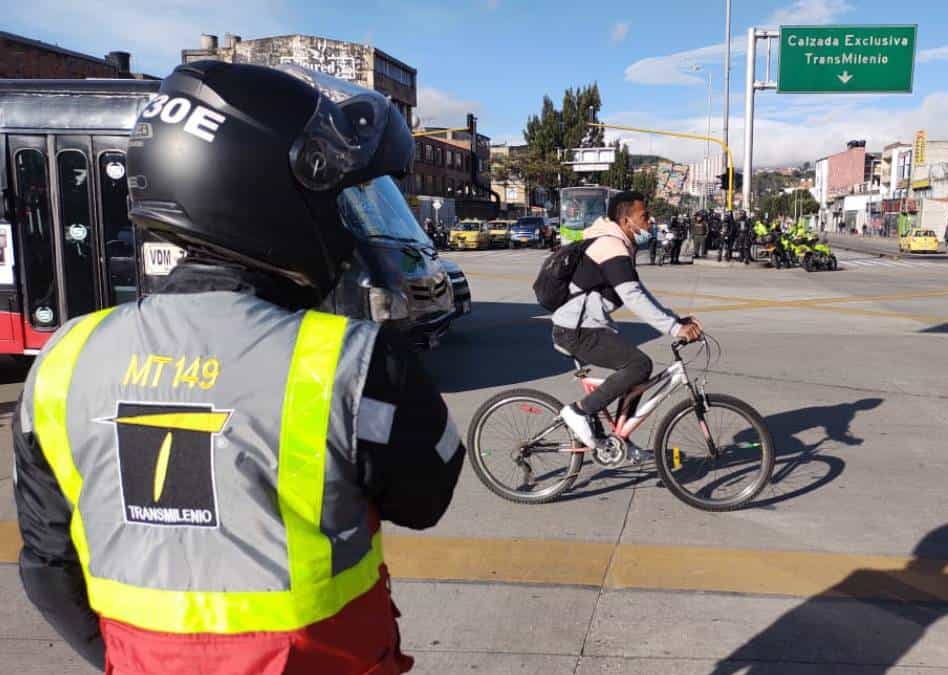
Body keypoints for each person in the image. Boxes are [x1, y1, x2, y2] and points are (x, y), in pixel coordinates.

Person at [13, 62, 464, 675]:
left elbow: (47, 567)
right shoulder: (352, 363)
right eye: (332, 197)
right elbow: (425, 499)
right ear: (264, 193)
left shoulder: (63, 360)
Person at [551, 191, 703, 454]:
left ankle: (622, 438)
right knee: (638, 365)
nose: (650, 221)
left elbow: (638, 290)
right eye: (644, 216)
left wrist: (674, 319)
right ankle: (579, 411)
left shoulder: (619, 244)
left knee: (636, 373)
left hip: (586, 326)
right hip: (575, 329)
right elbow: (631, 296)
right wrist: (674, 328)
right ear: (625, 221)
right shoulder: (610, 245)